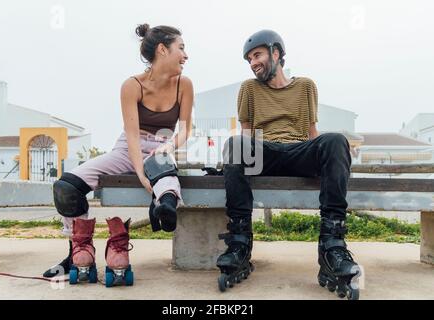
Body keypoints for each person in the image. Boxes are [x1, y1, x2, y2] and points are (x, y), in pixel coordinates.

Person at [43, 23, 193, 286]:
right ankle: (78, 252)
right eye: (181, 48)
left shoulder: (185, 84)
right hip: (127, 149)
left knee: (163, 170)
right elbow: (132, 135)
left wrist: (168, 147)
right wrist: (139, 173)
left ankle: (166, 208)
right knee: (65, 187)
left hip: (160, 149)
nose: (186, 55)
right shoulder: (131, 85)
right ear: (162, 49)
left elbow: (186, 130)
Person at [216, 30, 360, 300]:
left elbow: (311, 132)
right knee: (235, 143)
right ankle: (239, 242)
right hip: (265, 154)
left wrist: (324, 159)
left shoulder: (306, 86)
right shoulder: (248, 88)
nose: (253, 62)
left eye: (257, 55)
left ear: (277, 53)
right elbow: (247, 133)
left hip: (298, 151)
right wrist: (234, 162)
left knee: (335, 141)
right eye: (249, 59)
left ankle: (332, 245)